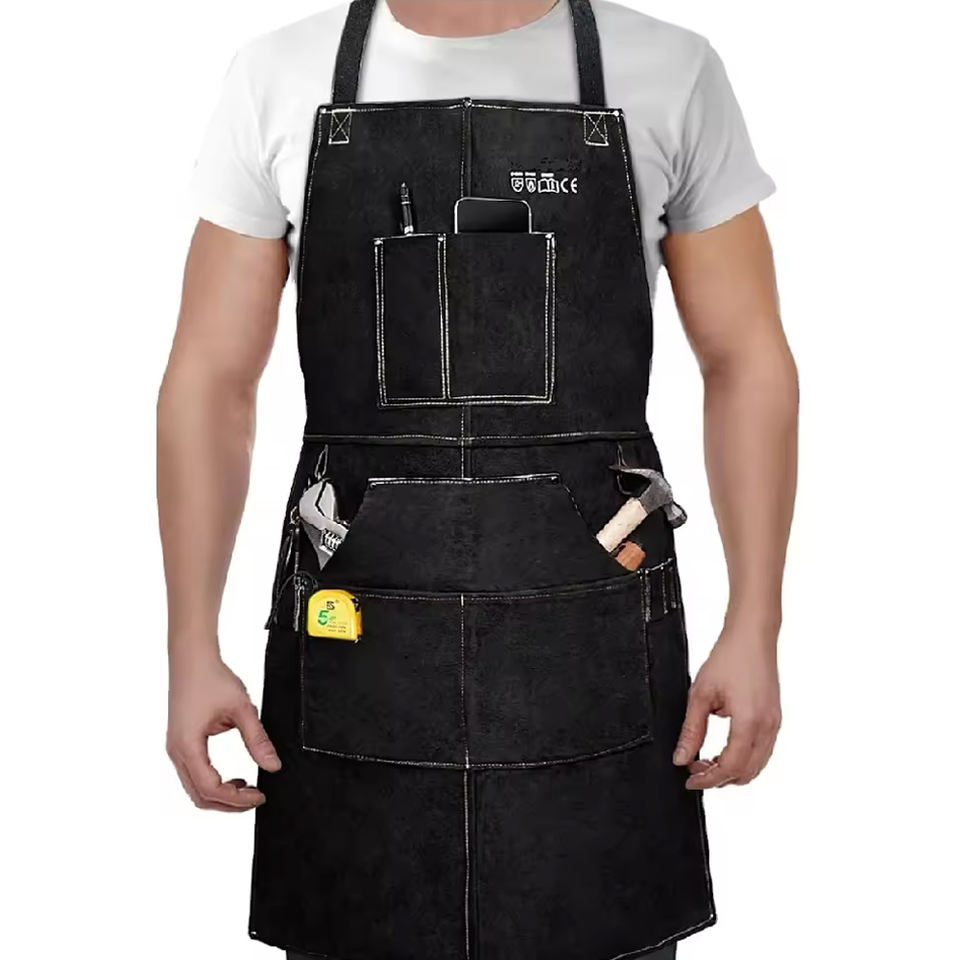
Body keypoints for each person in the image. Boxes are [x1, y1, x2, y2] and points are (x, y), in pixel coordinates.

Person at [158, 2, 797, 958]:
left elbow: (747, 358)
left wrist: (756, 625)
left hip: (590, 618)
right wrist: (190, 646)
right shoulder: (278, 75)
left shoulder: (670, 69)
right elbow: (209, 380)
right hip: (360, 622)